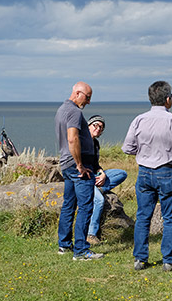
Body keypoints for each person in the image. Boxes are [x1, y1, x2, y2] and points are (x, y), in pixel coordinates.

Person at [122, 81, 172, 272]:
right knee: (170, 217)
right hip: (166, 171)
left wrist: (144, 151)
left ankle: (139, 259)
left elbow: (127, 147)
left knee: (143, 216)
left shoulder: (139, 120)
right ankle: (169, 260)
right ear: (168, 99)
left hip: (144, 171)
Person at [54, 81, 104, 260]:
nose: (88, 102)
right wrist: (80, 165)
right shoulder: (74, 111)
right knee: (85, 206)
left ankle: (64, 244)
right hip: (77, 167)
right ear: (77, 93)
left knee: (69, 204)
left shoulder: (62, 109)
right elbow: (72, 139)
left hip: (67, 165)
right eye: (87, 97)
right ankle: (81, 250)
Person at [86, 115, 128, 245]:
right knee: (99, 200)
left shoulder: (96, 143)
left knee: (121, 173)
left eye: (101, 127)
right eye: (95, 125)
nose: (98, 129)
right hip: (85, 178)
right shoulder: (81, 141)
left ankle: (99, 187)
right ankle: (91, 234)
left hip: (95, 175)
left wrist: (102, 173)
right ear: (89, 125)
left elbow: (95, 164)